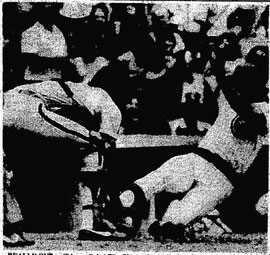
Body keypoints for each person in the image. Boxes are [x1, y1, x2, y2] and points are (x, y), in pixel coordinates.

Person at [115, 45, 268, 240]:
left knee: (171, 227)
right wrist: (215, 63)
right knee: (146, 184)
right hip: (198, 159)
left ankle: (169, 220)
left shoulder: (265, 109)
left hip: (221, 181)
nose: (244, 78)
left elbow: (246, 111)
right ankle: (124, 215)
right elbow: (224, 86)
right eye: (244, 73)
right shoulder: (229, 92)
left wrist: (219, 71)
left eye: (253, 74)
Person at [3, 80, 122, 240]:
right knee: (95, 143)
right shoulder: (101, 96)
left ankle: (10, 231)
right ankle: (94, 221)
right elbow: (105, 141)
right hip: (23, 106)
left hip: (8, 105)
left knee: (4, 170)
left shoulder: (67, 90)